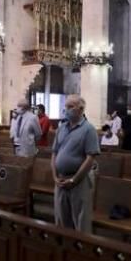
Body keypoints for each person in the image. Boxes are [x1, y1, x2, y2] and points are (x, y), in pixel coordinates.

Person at [51, 95, 100, 232]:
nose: (66, 109)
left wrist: (74, 179)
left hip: (80, 181)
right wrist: (55, 177)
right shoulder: (61, 128)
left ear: (81, 109)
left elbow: (90, 158)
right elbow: (54, 153)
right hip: (60, 180)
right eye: (66, 106)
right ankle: (64, 251)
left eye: (70, 107)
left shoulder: (89, 129)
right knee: (61, 222)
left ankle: (81, 252)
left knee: (80, 222)